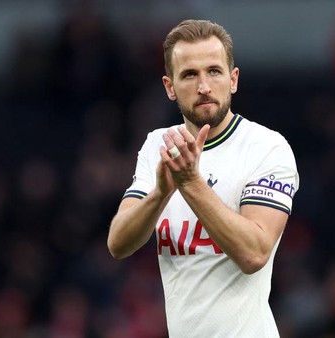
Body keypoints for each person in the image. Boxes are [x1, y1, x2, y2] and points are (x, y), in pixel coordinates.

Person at [107, 19, 299, 337]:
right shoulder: (159, 144)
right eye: (190, 74)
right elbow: (118, 243)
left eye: (214, 71)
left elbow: (254, 253)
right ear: (170, 87)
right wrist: (160, 193)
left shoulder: (266, 147)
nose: (204, 86)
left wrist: (190, 183)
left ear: (233, 79)